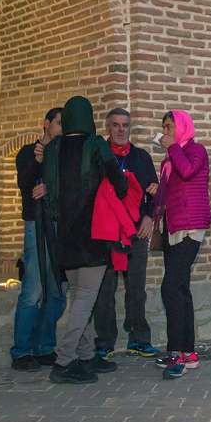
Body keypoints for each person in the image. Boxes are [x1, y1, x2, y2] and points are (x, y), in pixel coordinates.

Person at [42, 97, 129, 384]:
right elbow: (118, 180)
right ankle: (64, 361)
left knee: (78, 296)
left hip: (62, 235)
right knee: (84, 299)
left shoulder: (54, 148)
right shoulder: (95, 144)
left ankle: (86, 355)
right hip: (92, 233)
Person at [92, 109, 162, 360]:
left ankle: (139, 340)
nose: (121, 129)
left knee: (136, 288)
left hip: (135, 232)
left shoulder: (141, 157)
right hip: (108, 233)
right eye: (116, 125)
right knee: (104, 290)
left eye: (125, 125)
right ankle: (104, 342)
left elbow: (154, 193)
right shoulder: (99, 156)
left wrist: (148, 217)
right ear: (108, 128)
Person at [153, 110, 211, 379]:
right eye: (163, 127)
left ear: (183, 127)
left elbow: (187, 172)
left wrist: (173, 148)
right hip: (172, 227)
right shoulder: (169, 157)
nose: (166, 132)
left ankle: (176, 352)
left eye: (170, 126)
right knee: (181, 288)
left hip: (190, 227)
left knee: (170, 287)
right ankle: (189, 353)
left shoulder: (196, 150)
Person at [10, 107, 67, 371]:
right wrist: (39, 157)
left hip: (61, 228)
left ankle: (44, 347)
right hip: (37, 225)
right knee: (33, 290)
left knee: (57, 292)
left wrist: (52, 187)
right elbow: (26, 183)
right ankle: (21, 351)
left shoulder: (64, 155)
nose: (62, 129)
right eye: (58, 123)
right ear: (46, 124)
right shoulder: (27, 152)